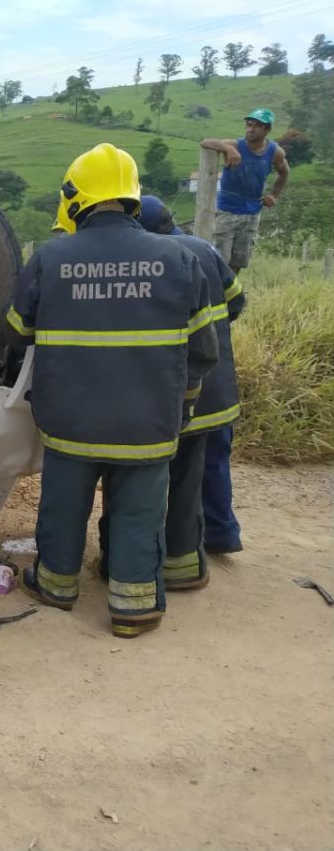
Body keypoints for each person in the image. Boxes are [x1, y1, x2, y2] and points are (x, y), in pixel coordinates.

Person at [5, 143, 218, 638]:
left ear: (76, 198)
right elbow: (204, 350)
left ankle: (56, 585)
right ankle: (134, 604)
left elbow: (16, 329)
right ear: (131, 198)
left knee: (63, 505)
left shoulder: (51, 257)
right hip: (148, 423)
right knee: (140, 513)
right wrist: (180, 407)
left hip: (70, 420)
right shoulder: (180, 257)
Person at [137, 195, 244, 590]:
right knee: (214, 463)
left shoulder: (152, 261)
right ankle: (222, 535)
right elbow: (237, 302)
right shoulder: (205, 249)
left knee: (170, 473)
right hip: (218, 391)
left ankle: (170, 548)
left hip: (180, 392)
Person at [200, 109, 289, 274]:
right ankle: (215, 293)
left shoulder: (274, 152)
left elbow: (284, 172)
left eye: (257, 126)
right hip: (227, 210)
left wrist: (273, 195)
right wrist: (229, 149)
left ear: (267, 130)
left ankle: (230, 294)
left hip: (252, 213)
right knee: (219, 257)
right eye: (249, 124)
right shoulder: (236, 145)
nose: (251, 129)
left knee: (239, 260)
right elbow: (206, 142)